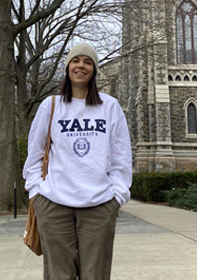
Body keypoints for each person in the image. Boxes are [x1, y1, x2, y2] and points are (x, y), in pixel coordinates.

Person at [23, 43, 132, 280]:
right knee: (58, 276)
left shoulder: (109, 107)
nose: (81, 65)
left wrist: (117, 197)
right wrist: (36, 194)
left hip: (99, 205)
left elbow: (121, 158)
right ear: (67, 67)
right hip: (54, 204)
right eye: (76, 60)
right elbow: (34, 155)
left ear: (94, 70)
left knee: (95, 276)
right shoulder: (51, 106)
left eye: (87, 61)